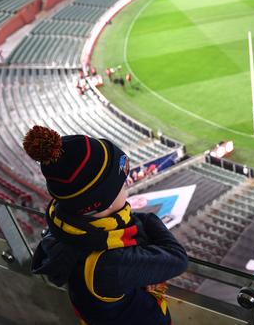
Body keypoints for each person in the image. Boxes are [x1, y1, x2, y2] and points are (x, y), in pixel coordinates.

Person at [28, 126, 187, 325]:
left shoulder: (61, 232)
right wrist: (148, 219)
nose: (127, 183)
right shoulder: (109, 264)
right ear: (107, 201)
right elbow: (178, 259)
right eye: (124, 182)